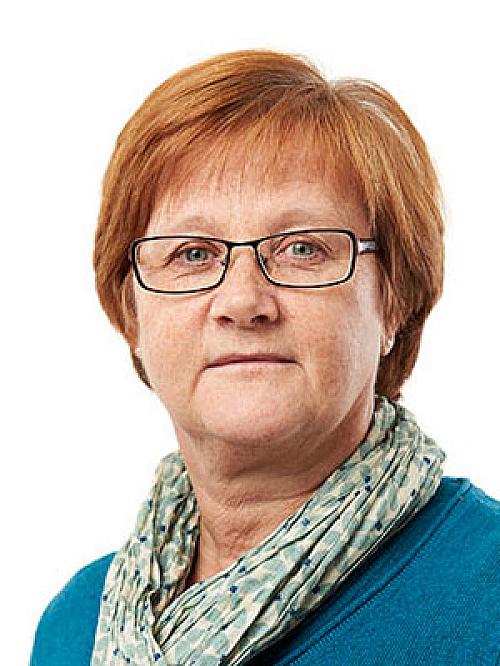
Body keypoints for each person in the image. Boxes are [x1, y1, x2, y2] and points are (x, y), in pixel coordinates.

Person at [29, 49, 499, 665]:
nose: (243, 302)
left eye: (302, 248)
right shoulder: (73, 628)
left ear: (394, 300)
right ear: (131, 314)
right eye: (193, 254)